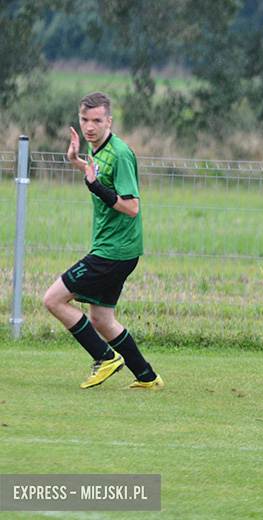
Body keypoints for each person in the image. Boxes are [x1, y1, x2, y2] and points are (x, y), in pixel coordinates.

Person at [42, 92, 163, 390]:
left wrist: (96, 188)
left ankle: (105, 358)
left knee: (54, 299)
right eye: (84, 120)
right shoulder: (99, 149)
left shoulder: (120, 153)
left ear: (109, 120)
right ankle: (147, 377)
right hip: (115, 249)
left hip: (114, 251)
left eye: (97, 120)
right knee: (101, 318)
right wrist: (76, 161)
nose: (89, 126)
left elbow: (131, 206)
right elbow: (97, 175)